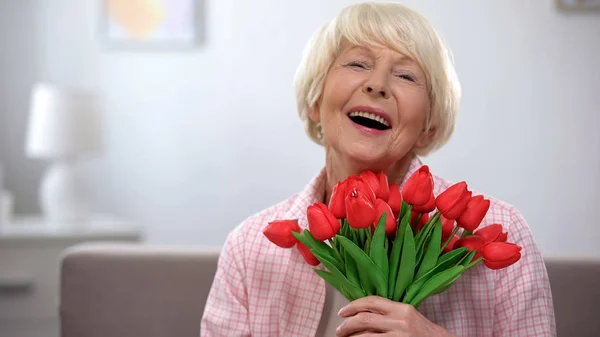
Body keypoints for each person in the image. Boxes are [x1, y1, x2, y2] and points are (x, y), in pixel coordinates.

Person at [200, 2, 556, 336]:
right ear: (314, 101)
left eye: (405, 75)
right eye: (357, 64)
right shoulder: (248, 247)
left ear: (428, 126)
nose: (377, 84)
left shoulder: (501, 228)